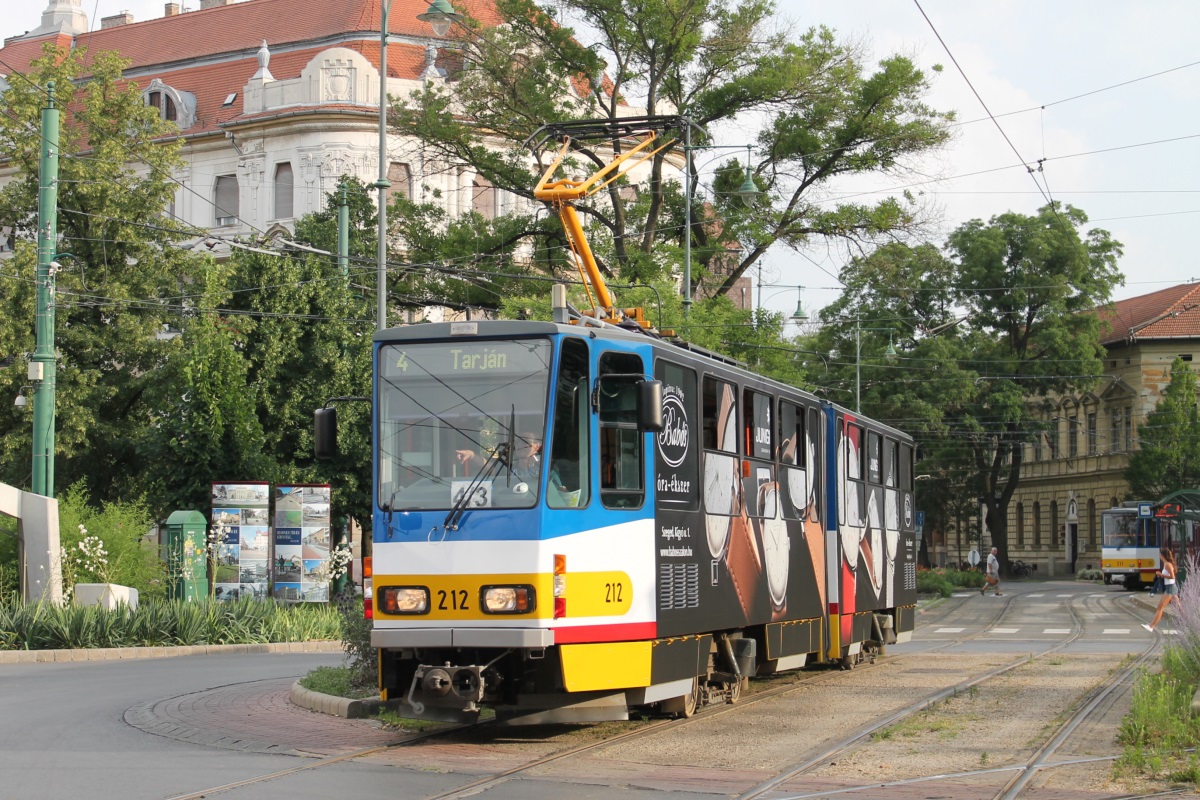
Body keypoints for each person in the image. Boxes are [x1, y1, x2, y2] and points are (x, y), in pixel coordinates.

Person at [1142, 549, 1178, 633]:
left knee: (1160, 608)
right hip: (1170, 587)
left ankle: (1151, 626)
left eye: (1160, 555)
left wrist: (1160, 574)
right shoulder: (1166, 564)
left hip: (1170, 588)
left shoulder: (1167, 565)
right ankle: (1190, 620)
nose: (1159, 556)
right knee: (1178, 606)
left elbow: (1172, 576)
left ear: (1162, 555)